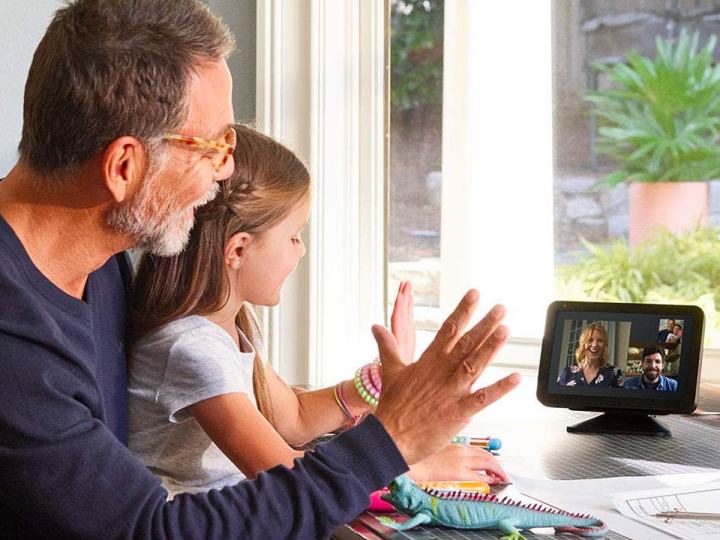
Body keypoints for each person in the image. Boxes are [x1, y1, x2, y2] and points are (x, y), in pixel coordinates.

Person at [0, 1, 520, 538]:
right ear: (125, 167)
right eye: (214, 146)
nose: (224, 170)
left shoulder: (99, 268)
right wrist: (394, 438)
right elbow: (153, 531)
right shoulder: (12, 336)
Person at [126, 125, 508, 498]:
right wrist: (411, 464)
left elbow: (293, 420)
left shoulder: (229, 324)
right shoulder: (191, 348)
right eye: (293, 235)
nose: (301, 250)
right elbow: (287, 476)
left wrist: (378, 382)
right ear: (239, 249)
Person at [557, 323, 623, 387]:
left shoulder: (614, 373)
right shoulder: (567, 372)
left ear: (604, 346)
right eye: (590, 340)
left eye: (600, 341)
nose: (594, 345)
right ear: (583, 344)